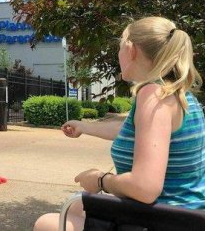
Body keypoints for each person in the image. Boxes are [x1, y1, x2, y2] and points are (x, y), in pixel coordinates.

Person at [34, 16, 205, 231]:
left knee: (46, 224)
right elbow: (140, 132)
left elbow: (145, 187)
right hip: (188, 214)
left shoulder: (153, 95)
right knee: (76, 207)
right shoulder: (177, 93)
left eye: (120, 47)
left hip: (164, 220)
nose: (118, 54)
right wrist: (85, 126)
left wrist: (100, 179)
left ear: (131, 50)